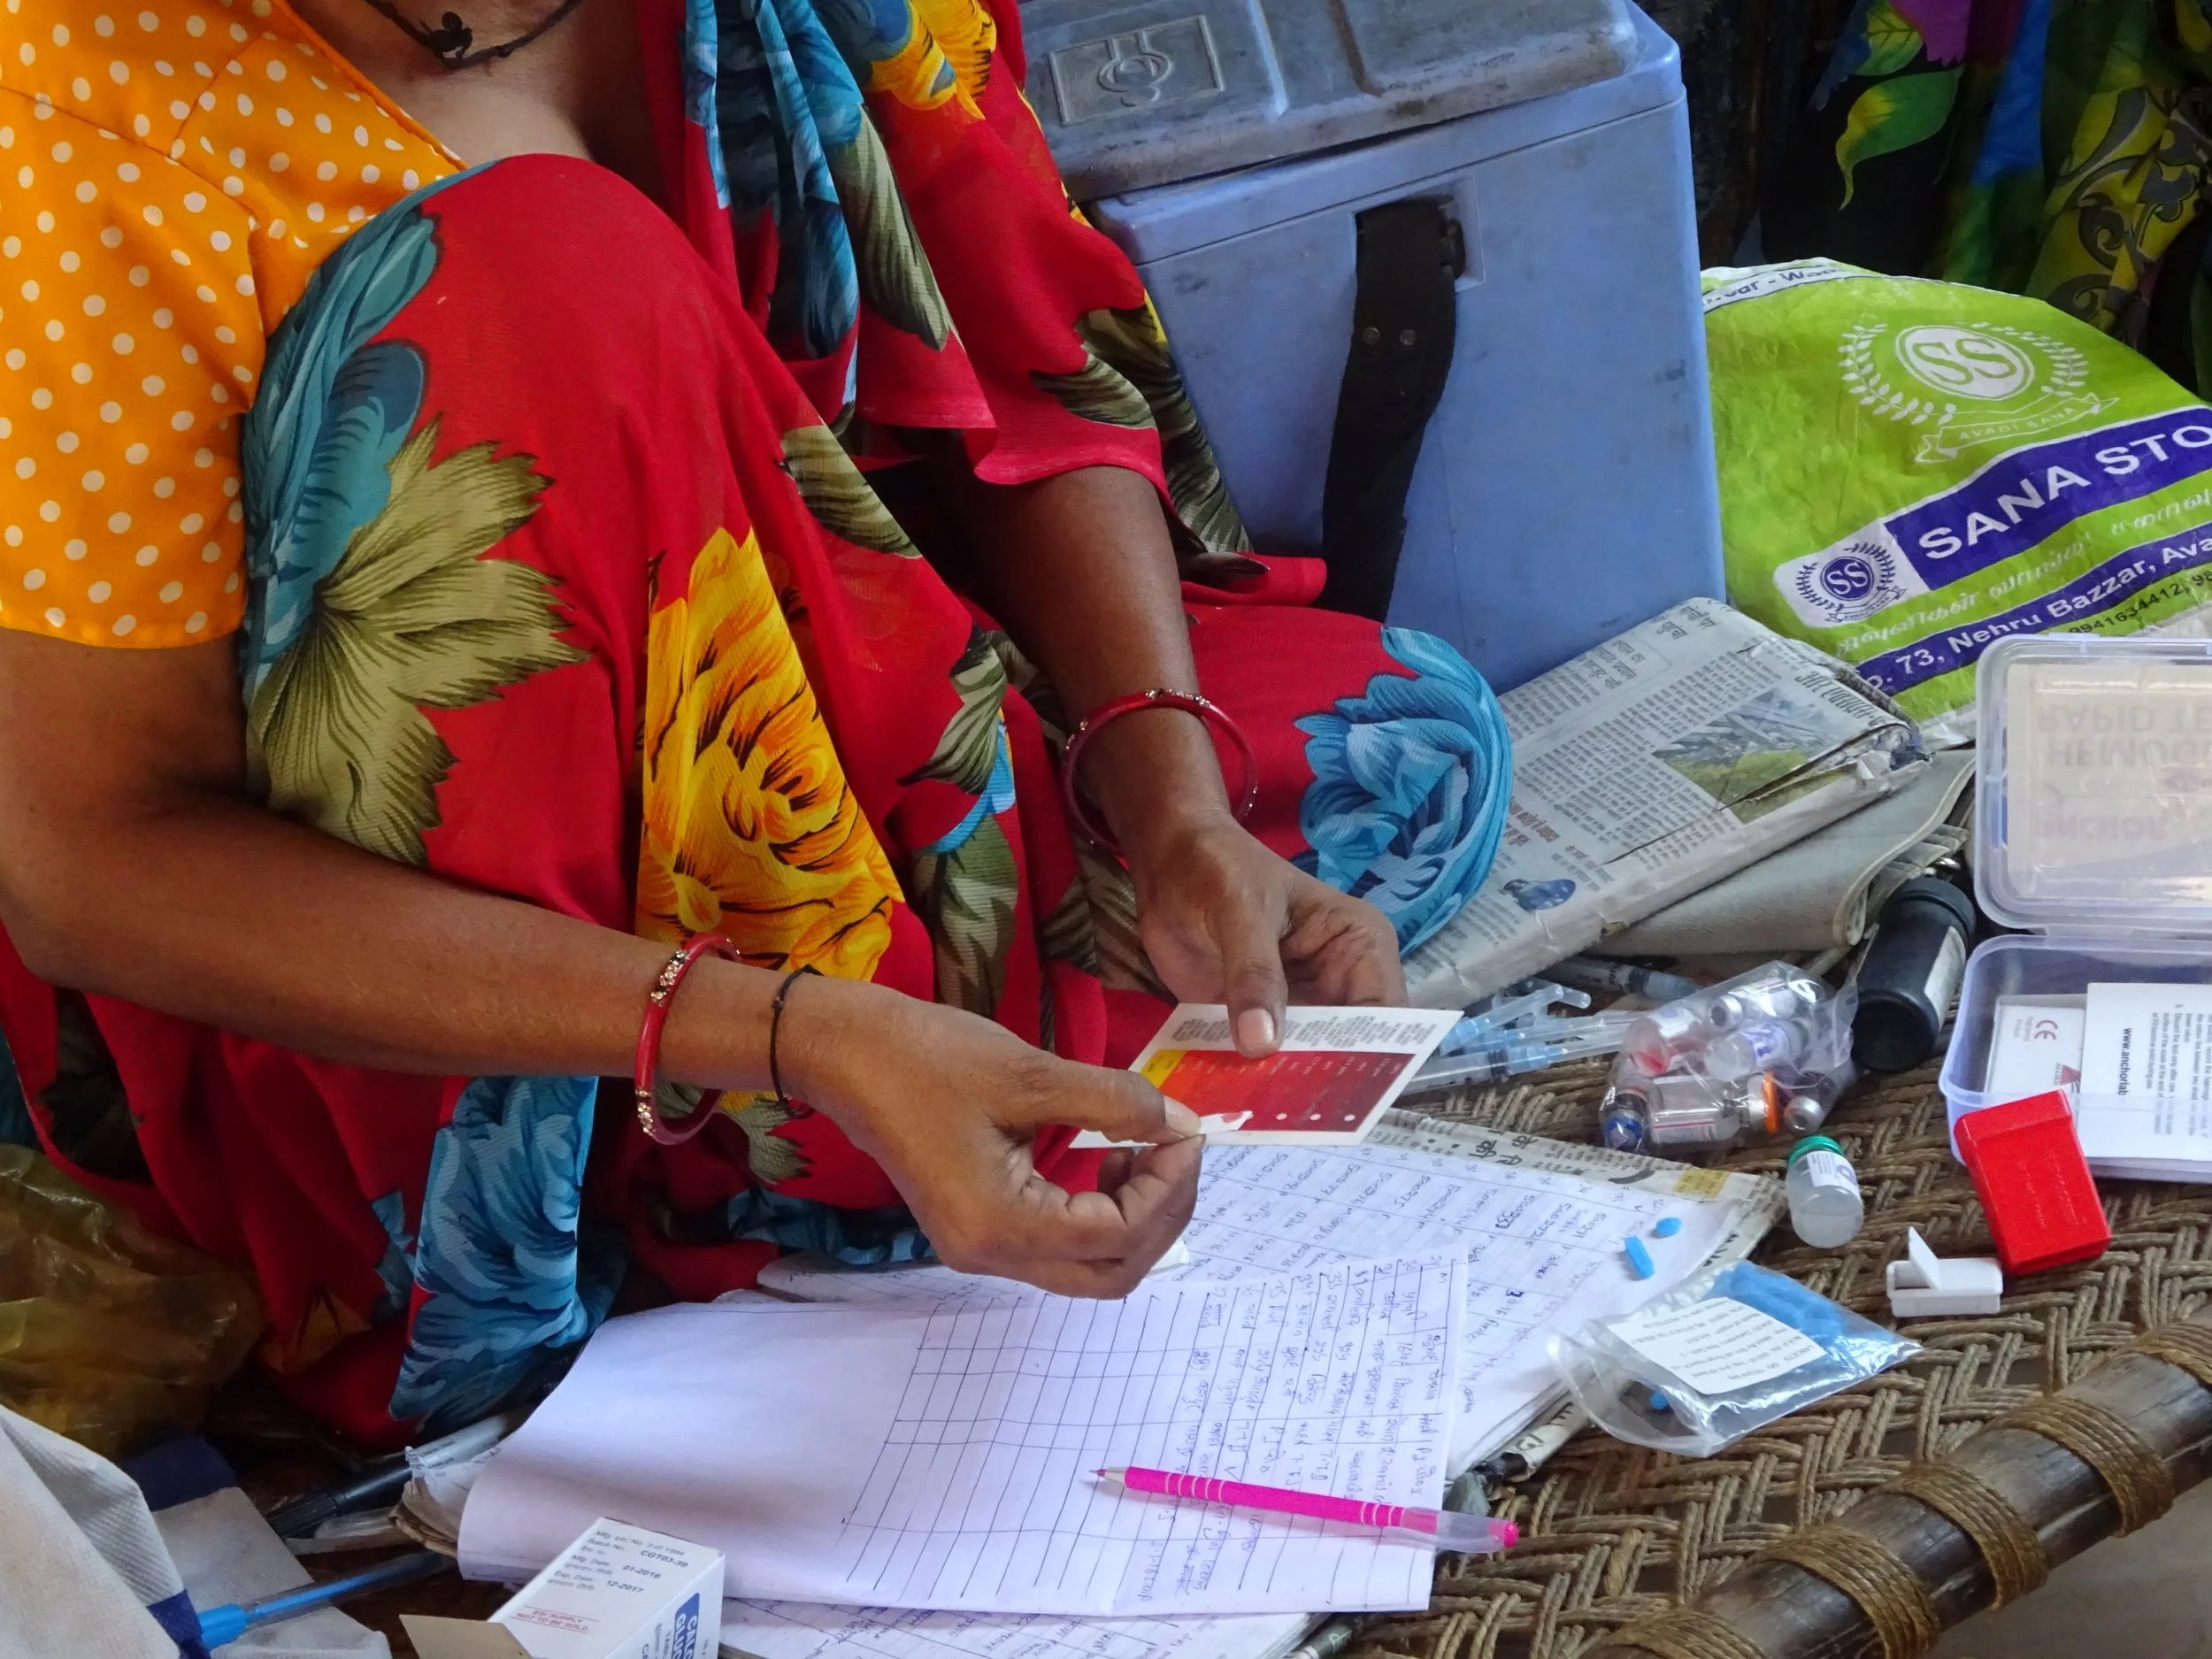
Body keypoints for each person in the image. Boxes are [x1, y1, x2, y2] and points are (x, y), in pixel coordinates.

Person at [0, 0, 1505, 1442]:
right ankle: (775, 1126)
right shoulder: (82, 97)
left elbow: (1023, 366)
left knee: (1404, 743)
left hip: (815, 708)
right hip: (430, 966)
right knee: (540, 266)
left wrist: (1167, 800)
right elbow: (92, 858)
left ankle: (897, 1070)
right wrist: (793, 1029)